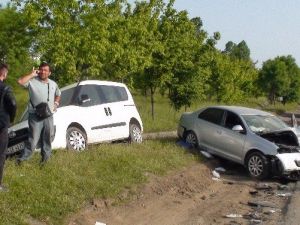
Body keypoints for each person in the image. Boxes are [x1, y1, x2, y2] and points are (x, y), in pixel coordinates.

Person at [16, 62, 61, 165]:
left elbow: (58, 94)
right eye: (41, 69)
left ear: (49, 73)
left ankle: (45, 161)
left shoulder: (53, 84)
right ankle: (21, 161)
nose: (43, 72)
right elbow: (20, 82)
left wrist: (56, 103)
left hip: (49, 116)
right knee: (33, 140)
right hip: (35, 115)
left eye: (45, 70)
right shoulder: (32, 81)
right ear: (38, 70)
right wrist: (32, 74)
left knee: (47, 138)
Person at [0, 63, 17, 192]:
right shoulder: (6, 89)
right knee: (1, 154)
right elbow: (13, 103)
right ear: (4, 74)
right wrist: (11, 119)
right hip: (1, 126)